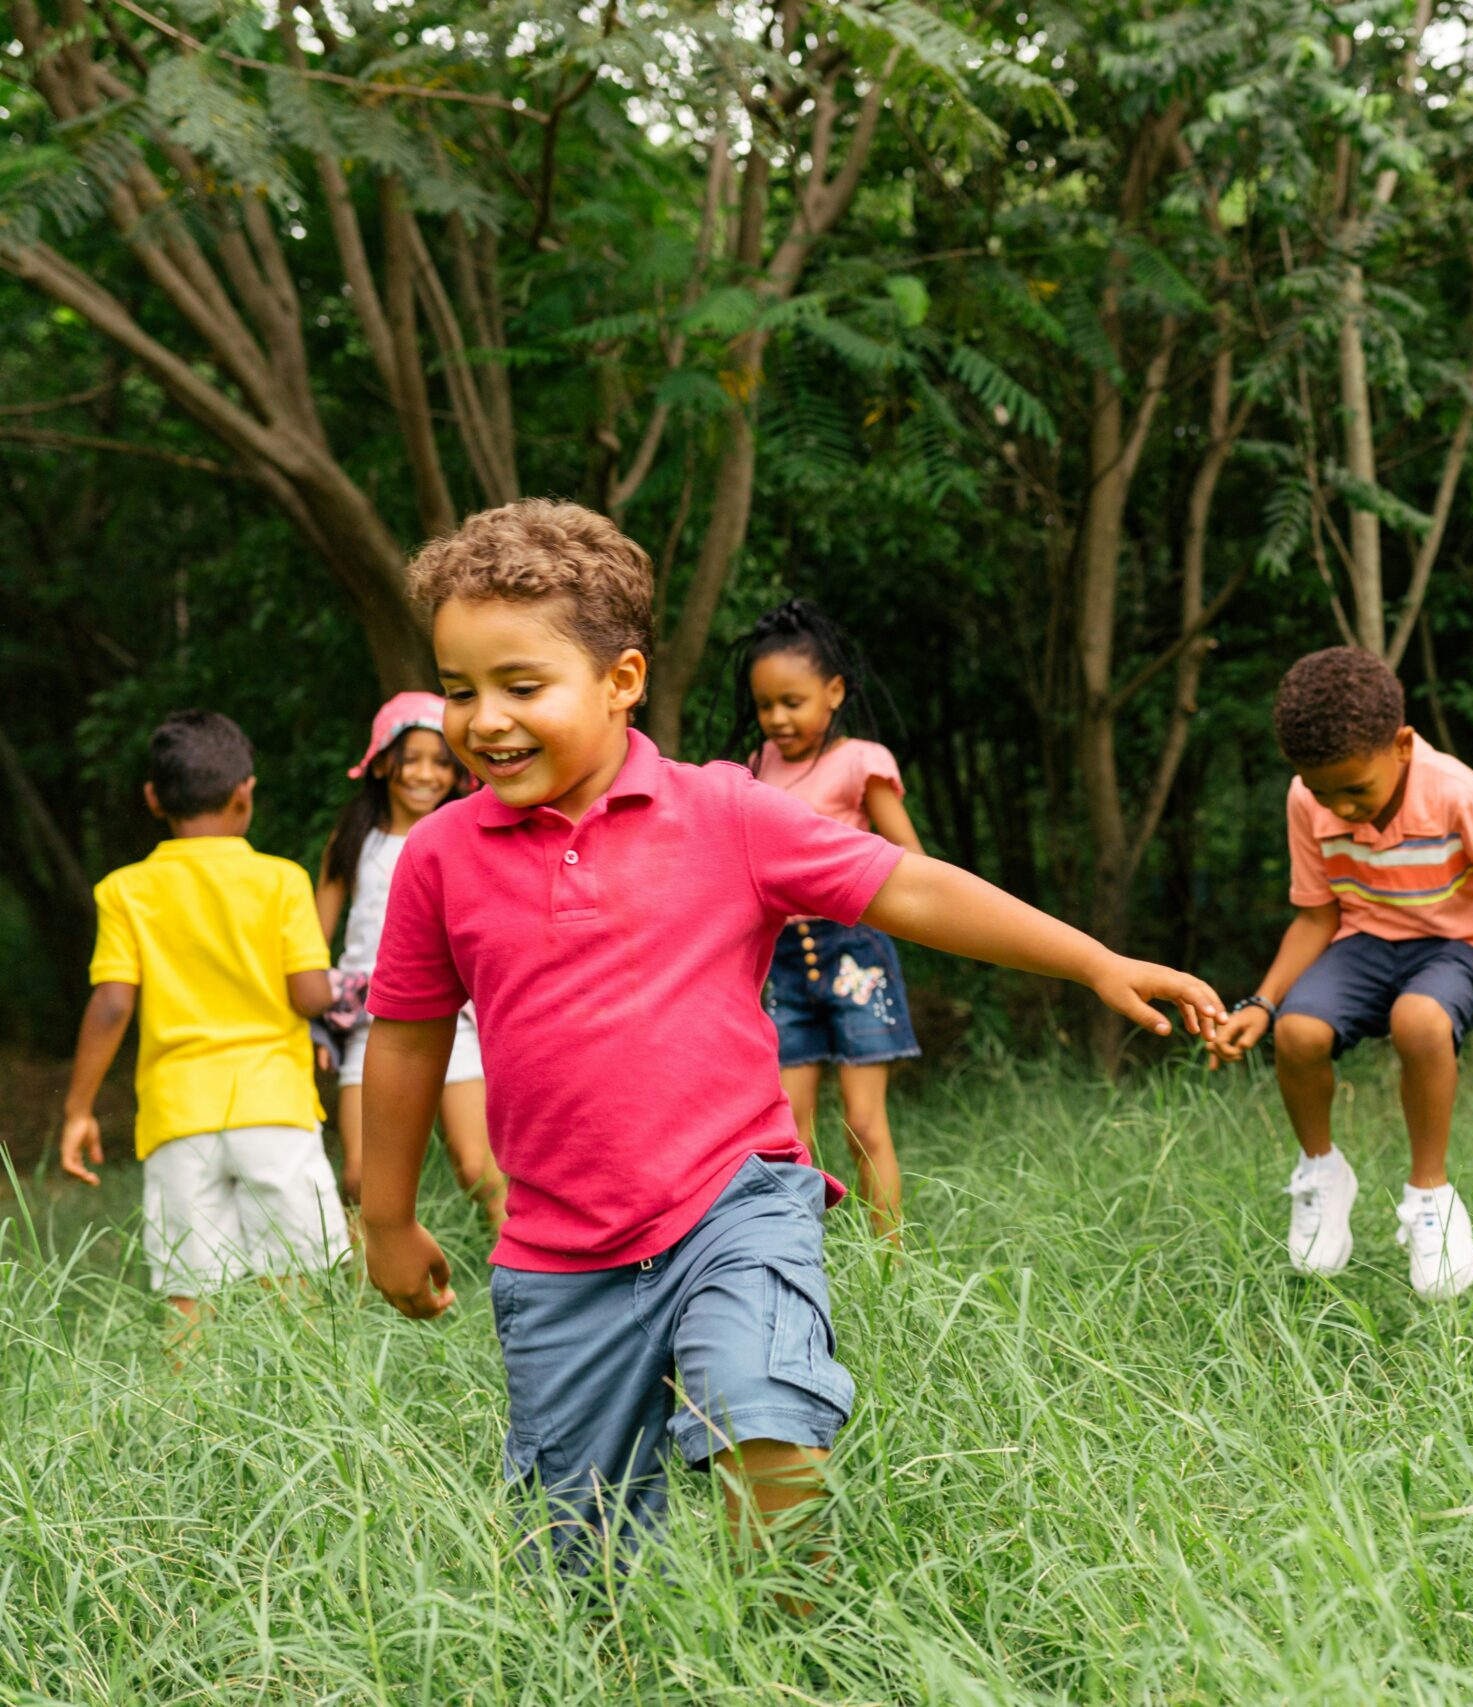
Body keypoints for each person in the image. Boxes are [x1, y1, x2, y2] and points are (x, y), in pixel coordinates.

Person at [359, 499, 1222, 1567]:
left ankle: (793, 1645)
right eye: (458, 690)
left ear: (622, 681)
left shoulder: (724, 813)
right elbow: (404, 1040)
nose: (483, 719)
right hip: (556, 1259)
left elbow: (909, 889)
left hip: (734, 1200)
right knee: (578, 1562)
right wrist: (387, 1216)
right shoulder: (439, 859)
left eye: (521, 687)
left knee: (766, 1421)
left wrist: (1094, 958)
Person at [1206, 646, 1473, 1300]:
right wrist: (1262, 999)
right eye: (1321, 791)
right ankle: (1322, 1172)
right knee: (1297, 1032)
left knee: (1418, 1019)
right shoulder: (1305, 800)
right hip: (1365, 942)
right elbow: (1315, 917)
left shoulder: (1457, 792)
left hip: (1460, 946)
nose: (1338, 809)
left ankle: (1431, 1196)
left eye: (1355, 789)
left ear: (1402, 745)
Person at [56, 711, 347, 1322]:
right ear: (246, 792)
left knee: (190, 1287)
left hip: (177, 1113)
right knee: (296, 1276)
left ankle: (190, 1412)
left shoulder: (125, 890)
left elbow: (112, 1004)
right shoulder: (282, 882)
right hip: (274, 1107)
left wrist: (78, 1109)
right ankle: (305, 1404)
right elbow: (309, 996)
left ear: (153, 798)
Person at [730, 601, 925, 1237]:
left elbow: (910, 862)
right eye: (766, 705)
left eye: (792, 701)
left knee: (865, 1124)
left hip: (854, 953)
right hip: (780, 961)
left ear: (833, 692)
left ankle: (891, 1266)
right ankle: (795, 1258)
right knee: (790, 1123)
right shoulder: (755, 769)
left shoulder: (860, 761)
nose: (778, 719)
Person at [315, 693, 504, 1231]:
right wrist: (314, 1020)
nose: (426, 774)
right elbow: (312, 939)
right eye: (413, 758)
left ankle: (522, 1277)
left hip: (457, 1019)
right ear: (380, 762)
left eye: (442, 761)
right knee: (359, 1176)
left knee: (479, 1167)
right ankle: (358, 1301)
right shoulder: (353, 840)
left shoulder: (466, 838)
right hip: (368, 1020)